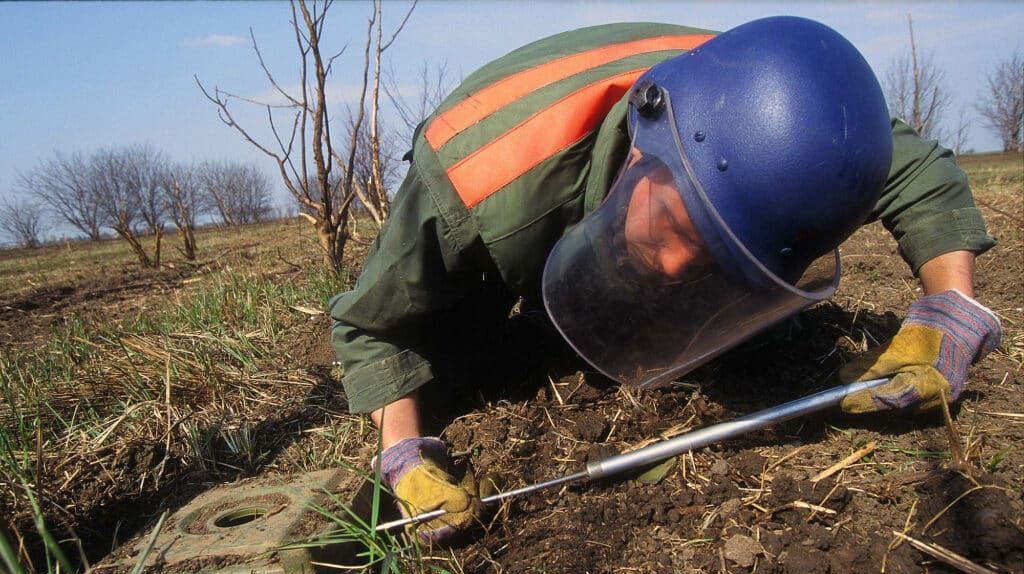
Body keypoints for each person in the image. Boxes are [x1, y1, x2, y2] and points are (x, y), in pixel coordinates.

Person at [329, 17, 1002, 541]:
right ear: (647, 139)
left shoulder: (794, 106)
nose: (680, 264)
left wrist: (951, 304)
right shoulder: (477, 177)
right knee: (463, 361)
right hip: (524, 195)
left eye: (712, 251)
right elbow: (373, 325)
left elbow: (917, 168)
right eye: (677, 223)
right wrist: (401, 451)